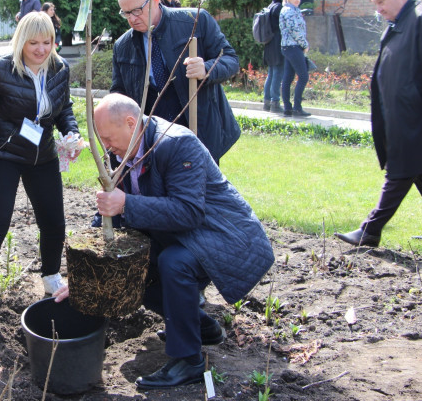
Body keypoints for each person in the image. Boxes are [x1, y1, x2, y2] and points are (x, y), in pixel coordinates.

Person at [54, 93, 274, 389]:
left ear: (131, 123)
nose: (105, 146)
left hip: (221, 234)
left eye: (107, 138)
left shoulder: (177, 144)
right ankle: (201, 326)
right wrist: (88, 271)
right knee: (128, 269)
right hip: (180, 234)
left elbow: (190, 212)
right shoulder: (122, 152)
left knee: (174, 263)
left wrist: (126, 204)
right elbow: (110, 217)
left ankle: (189, 361)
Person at [0, 12, 79, 325]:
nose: (40, 49)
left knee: (54, 221)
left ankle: (51, 278)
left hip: (42, 155)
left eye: (47, 42)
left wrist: (71, 132)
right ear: (22, 41)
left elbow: (64, 110)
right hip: (2, 153)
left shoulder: (60, 69)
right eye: (33, 42)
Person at [335, 0, 422, 248]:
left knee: (398, 173)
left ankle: (369, 231)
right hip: (401, 121)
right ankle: (369, 232)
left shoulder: (419, 20)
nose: (378, 9)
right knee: (413, 170)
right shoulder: (399, 24)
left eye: (381, 2)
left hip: (414, 122)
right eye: (375, 4)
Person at [111, 0, 240, 164]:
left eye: (137, 10)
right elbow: (118, 93)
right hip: (155, 137)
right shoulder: (123, 46)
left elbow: (230, 59)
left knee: (199, 190)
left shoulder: (194, 22)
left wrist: (206, 68)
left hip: (199, 129)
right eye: (126, 13)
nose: (132, 19)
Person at [278, 0, 311, 117]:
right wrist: (304, 44)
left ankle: (288, 108)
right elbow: (295, 30)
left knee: (288, 77)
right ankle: (297, 107)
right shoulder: (289, 11)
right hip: (293, 46)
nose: (298, 0)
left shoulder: (292, 10)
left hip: (288, 47)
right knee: (303, 76)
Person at [263, 0, 292, 113]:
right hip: (277, 43)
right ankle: (275, 102)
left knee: (271, 73)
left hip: (269, 44)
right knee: (277, 73)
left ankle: (267, 102)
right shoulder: (279, 7)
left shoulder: (271, 5)